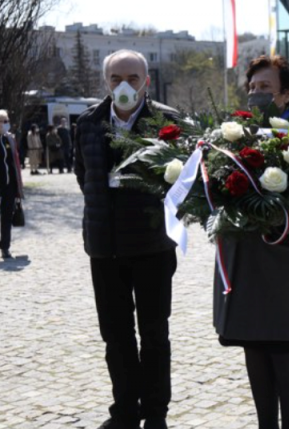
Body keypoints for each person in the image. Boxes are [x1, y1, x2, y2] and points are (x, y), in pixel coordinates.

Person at [215, 54, 289, 429]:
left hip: (283, 258)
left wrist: (277, 220)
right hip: (244, 256)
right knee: (254, 345)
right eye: (253, 87)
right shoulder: (230, 138)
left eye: (266, 88)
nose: (256, 94)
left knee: (284, 347)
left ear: (287, 95)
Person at [75, 50, 179, 429]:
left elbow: (180, 182)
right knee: (116, 336)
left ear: (146, 82)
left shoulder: (166, 121)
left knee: (154, 335)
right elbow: (82, 173)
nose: (124, 86)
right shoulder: (88, 122)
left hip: (152, 246)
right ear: (105, 82)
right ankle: (124, 411)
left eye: (133, 79)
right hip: (104, 248)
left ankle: (155, 414)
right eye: (116, 78)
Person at [246, 55, 289, 122]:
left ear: (287, 95)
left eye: (264, 86)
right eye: (252, 87)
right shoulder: (244, 128)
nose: (255, 92)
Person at [0, 110, 23, 260]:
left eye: (7, 120)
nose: (7, 123)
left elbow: (14, 163)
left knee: (7, 217)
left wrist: (18, 188)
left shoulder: (8, 139)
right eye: (4, 121)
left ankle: (5, 247)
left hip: (9, 186)